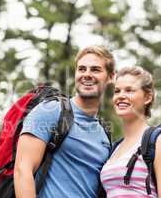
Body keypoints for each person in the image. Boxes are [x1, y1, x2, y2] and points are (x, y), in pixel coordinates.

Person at [14, 45, 115, 198]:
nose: (87, 75)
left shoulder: (104, 133)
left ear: (111, 77)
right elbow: (23, 169)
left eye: (95, 70)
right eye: (81, 69)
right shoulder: (51, 111)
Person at [100, 66, 161, 197]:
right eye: (117, 91)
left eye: (129, 90)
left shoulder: (159, 140)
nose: (121, 96)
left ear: (147, 97)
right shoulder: (114, 149)